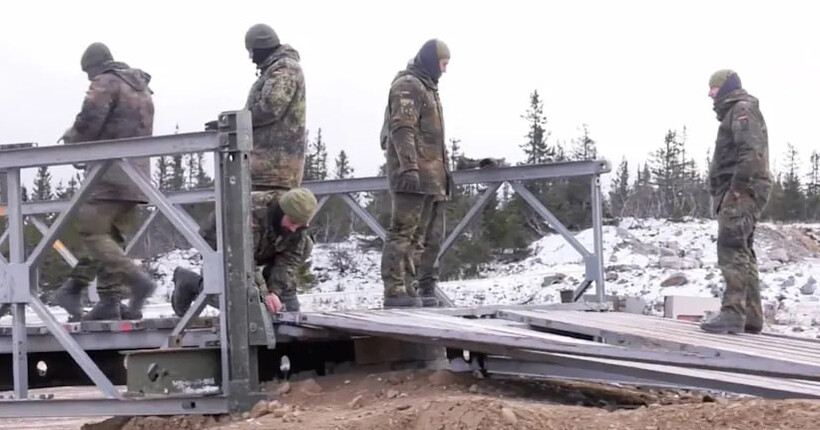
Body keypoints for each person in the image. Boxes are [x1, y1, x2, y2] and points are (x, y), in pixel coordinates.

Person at [173, 23, 309, 313]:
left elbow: (271, 106)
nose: (251, 59)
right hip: (269, 170)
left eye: (252, 52)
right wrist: (262, 294)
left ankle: (278, 295)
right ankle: (194, 285)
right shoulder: (281, 67)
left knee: (292, 237)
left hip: (272, 166)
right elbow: (242, 258)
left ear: (260, 47)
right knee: (242, 290)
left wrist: (233, 121)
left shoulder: (284, 68)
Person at [53, 42, 157, 321]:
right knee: (111, 240)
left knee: (93, 233)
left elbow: (89, 120)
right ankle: (106, 299)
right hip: (136, 178)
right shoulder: (142, 88)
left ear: (94, 67)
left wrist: (73, 140)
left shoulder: (106, 82)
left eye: (89, 73)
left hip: (108, 175)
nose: (90, 79)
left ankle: (137, 281)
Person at [379, 39, 452, 308]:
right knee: (402, 233)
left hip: (431, 177)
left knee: (420, 238)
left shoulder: (428, 88)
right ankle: (395, 289)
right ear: (433, 61)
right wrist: (409, 166)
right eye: (443, 64)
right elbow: (402, 128)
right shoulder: (408, 86)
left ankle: (410, 288)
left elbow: (431, 139)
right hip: (413, 174)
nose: (444, 70)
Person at [700, 69, 772, 334]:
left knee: (731, 248)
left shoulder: (741, 110)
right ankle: (751, 317)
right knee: (742, 249)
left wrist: (737, 189)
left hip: (742, 189)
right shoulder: (737, 111)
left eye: (714, 88)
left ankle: (733, 313)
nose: (710, 93)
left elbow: (751, 152)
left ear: (726, 87)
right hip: (743, 189)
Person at [172, 188, 317, 315]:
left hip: (262, 248)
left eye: (300, 226)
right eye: (291, 222)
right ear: (282, 211)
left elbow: (288, 261)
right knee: (241, 305)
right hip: (222, 248)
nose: (294, 229)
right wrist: (263, 294)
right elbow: (243, 260)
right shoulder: (249, 212)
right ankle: (189, 282)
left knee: (288, 309)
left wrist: (275, 292)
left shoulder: (298, 226)